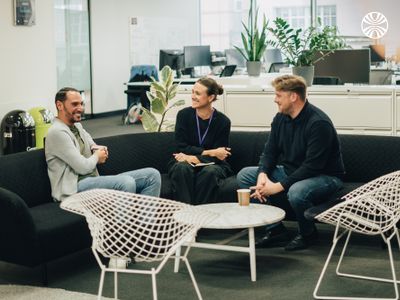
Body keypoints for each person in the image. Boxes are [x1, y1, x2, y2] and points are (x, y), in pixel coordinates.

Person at [237, 75, 345, 251]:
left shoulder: (318, 123)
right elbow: (270, 151)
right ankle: (276, 231)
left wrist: (278, 186)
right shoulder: (280, 118)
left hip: (325, 176)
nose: (275, 99)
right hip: (292, 171)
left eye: (279, 95)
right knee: (246, 176)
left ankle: (308, 234)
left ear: (293, 96)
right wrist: (263, 174)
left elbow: (312, 166)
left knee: (297, 191)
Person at [45, 87, 162, 202]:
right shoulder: (57, 132)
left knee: (152, 175)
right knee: (127, 182)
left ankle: (144, 220)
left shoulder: (77, 126)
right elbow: (83, 167)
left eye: (81, 104)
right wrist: (96, 156)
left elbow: (93, 145)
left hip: (92, 180)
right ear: (59, 105)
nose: (80, 108)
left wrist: (96, 151)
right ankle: (122, 221)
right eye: (75, 104)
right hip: (73, 188)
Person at [168, 77, 233, 205]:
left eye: (197, 93)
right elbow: (180, 147)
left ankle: (203, 217)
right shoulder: (184, 115)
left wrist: (195, 158)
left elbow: (220, 156)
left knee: (210, 172)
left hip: (213, 165)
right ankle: (186, 215)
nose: (193, 96)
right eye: (192, 92)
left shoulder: (223, 121)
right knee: (182, 168)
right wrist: (210, 152)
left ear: (210, 98)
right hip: (183, 160)